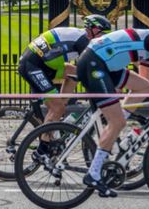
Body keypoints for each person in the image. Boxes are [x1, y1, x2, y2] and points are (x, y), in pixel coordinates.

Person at [76, 12, 149, 197]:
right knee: (117, 123)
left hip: (103, 64)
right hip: (95, 64)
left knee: (145, 88)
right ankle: (93, 173)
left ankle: (118, 123)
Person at [18, 15, 112, 158]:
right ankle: (42, 151)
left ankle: (59, 112)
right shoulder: (84, 41)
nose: (103, 38)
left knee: (72, 73)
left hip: (44, 64)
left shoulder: (83, 37)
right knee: (57, 107)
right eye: (102, 34)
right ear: (92, 30)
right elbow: (89, 68)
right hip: (33, 65)